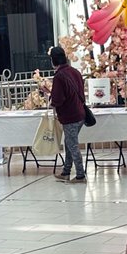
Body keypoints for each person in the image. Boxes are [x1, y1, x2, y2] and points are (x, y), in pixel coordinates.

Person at [48, 45, 87, 183]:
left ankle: (81, 175)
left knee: (72, 145)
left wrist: (50, 100)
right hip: (80, 113)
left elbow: (58, 99)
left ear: (53, 60)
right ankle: (66, 171)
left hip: (70, 115)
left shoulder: (59, 76)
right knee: (69, 142)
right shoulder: (75, 71)